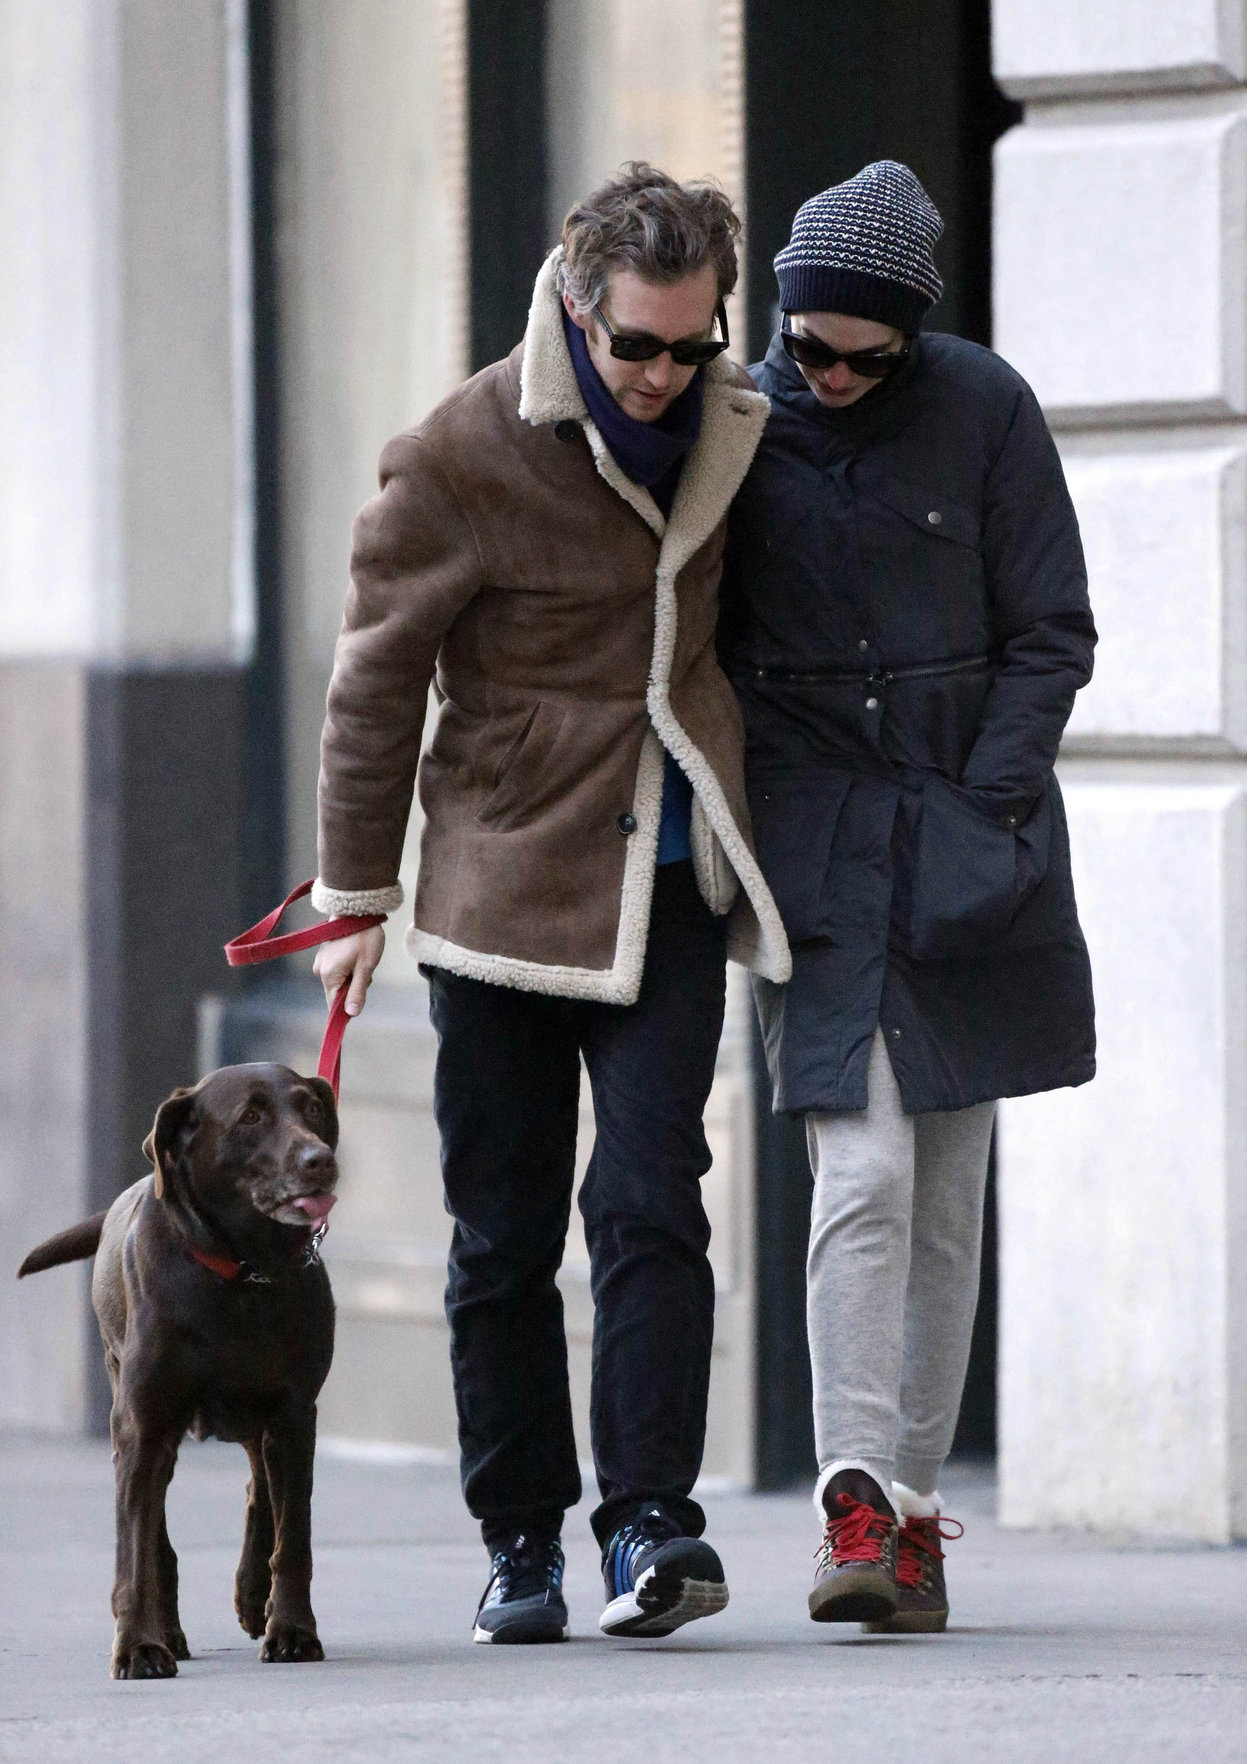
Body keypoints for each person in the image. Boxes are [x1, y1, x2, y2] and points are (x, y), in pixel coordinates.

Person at [310, 163, 789, 1645]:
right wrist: (352, 890)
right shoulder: (456, 453)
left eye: (689, 345)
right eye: (634, 345)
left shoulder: (730, 422)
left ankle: (651, 1521)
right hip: (502, 882)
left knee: (653, 1203)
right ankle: (519, 1536)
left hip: (666, 882)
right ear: (577, 310)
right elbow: (375, 683)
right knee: (501, 1234)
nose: (660, 375)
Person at [720, 160, 1096, 1634]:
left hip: (966, 829)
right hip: (815, 837)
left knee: (947, 1194)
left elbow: (1051, 630)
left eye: (867, 357)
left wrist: (989, 808)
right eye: (811, 344)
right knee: (860, 1172)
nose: (833, 375)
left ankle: (919, 1522)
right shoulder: (741, 428)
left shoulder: (987, 408)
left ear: (916, 339)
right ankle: (855, 1495)